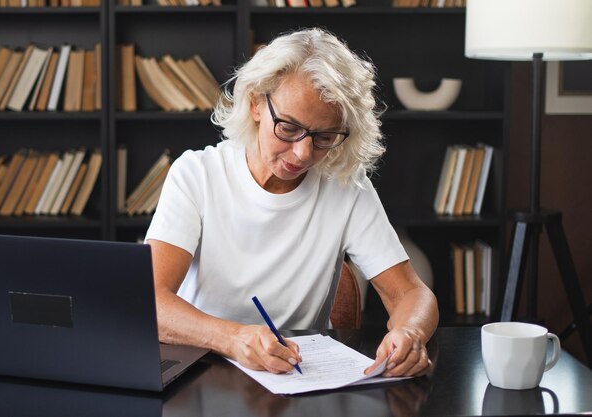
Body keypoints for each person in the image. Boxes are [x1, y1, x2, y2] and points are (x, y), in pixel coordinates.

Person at [145, 27, 438, 378]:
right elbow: (152, 302)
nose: (302, 153)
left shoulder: (346, 186)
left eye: (324, 136)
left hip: (301, 376)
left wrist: (410, 332)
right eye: (288, 127)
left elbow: (411, 294)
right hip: (203, 369)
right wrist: (234, 338)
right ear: (255, 103)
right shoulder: (197, 175)